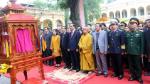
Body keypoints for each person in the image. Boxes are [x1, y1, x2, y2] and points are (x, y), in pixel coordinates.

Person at [125, 18, 144, 84]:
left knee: (137, 65)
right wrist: (126, 51)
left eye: (133, 23)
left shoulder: (140, 33)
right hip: (129, 52)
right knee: (131, 65)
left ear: (137, 24)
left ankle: (139, 77)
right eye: (131, 23)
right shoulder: (127, 33)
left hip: (137, 52)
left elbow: (142, 43)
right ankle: (132, 76)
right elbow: (126, 44)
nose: (132, 25)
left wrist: (141, 53)